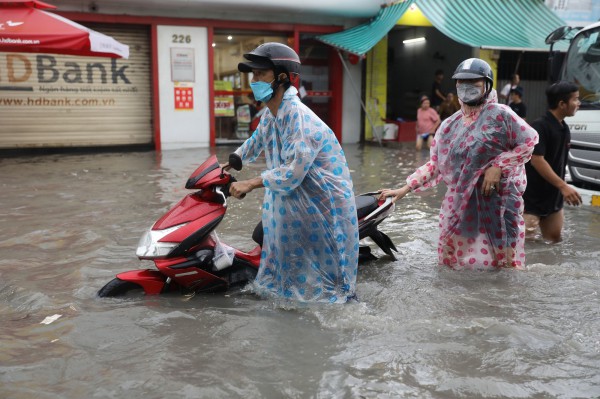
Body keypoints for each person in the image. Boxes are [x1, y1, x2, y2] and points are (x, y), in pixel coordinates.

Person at [225, 42, 359, 303]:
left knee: (330, 287)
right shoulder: (272, 114)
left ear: (282, 78)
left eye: (260, 74)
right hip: (294, 202)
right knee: (291, 269)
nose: (254, 81)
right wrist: (232, 161)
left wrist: (251, 183)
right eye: (253, 75)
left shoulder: (298, 117)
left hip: (322, 205)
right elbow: (256, 141)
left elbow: (293, 172)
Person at [379, 58, 538, 269]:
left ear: (487, 85)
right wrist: (405, 188)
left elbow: (528, 143)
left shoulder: (503, 115)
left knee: (505, 265)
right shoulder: (449, 126)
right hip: (462, 204)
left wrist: (498, 166)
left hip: (499, 201)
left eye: (474, 82)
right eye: (461, 82)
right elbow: (436, 165)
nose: (466, 87)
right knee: (450, 261)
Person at [523, 82, 582, 242]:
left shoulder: (563, 127)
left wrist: (560, 189)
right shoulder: (540, 126)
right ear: (562, 104)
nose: (579, 103)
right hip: (532, 198)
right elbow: (537, 160)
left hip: (553, 197)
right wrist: (563, 186)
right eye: (576, 99)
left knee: (554, 241)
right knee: (525, 243)